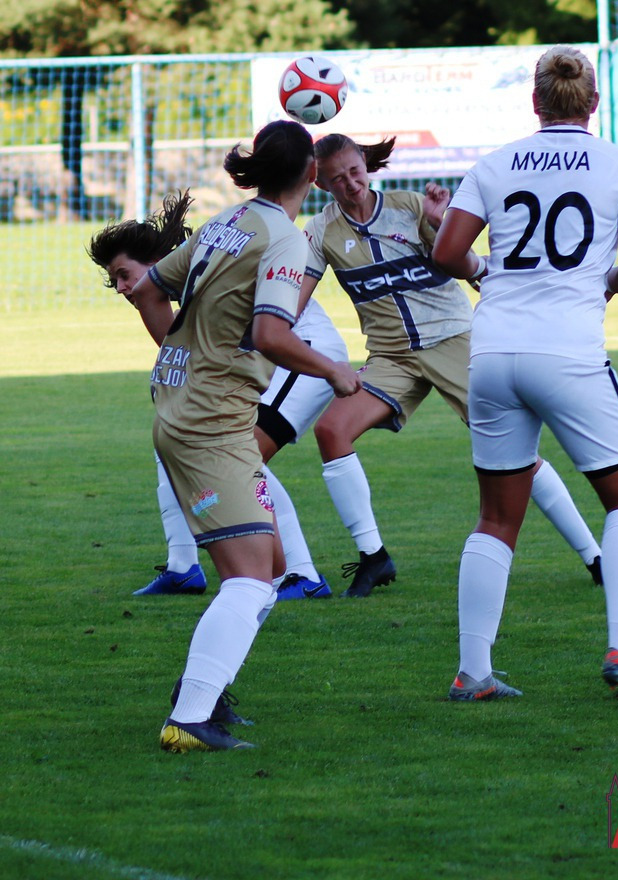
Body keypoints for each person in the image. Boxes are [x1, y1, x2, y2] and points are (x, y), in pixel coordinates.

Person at [432, 45, 618, 701]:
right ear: (594, 102)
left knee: (496, 519)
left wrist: (485, 271)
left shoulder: (494, 163)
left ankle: (473, 673)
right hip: (568, 351)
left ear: (535, 102)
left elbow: (447, 251)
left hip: (493, 352)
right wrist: (603, 283)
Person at [127, 120, 362, 752]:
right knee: (253, 578)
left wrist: (181, 354)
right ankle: (190, 718)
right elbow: (270, 334)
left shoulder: (225, 222)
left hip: (195, 412)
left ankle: (203, 687)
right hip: (211, 425)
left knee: (274, 566)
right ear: (312, 174)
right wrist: (335, 370)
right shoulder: (284, 239)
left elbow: (147, 289)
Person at [299, 133, 604, 598]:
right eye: (337, 179)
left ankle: (594, 556)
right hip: (390, 356)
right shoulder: (320, 231)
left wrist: (441, 224)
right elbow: (296, 295)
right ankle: (374, 557)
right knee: (330, 431)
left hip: (453, 340)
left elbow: (461, 262)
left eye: (355, 171)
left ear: (366, 164)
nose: (351, 184)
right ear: (320, 184)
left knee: (516, 452)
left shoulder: (408, 206)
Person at [90, 193, 348, 602]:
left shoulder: (205, 268)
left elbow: (229, 344)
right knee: (177, 438)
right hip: (267, 360)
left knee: (244, 456)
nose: (121, 287)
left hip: (303, 353)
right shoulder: (183, 278)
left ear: (157, 261)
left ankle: (299, 574)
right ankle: (183, 567)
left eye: (124, 274)